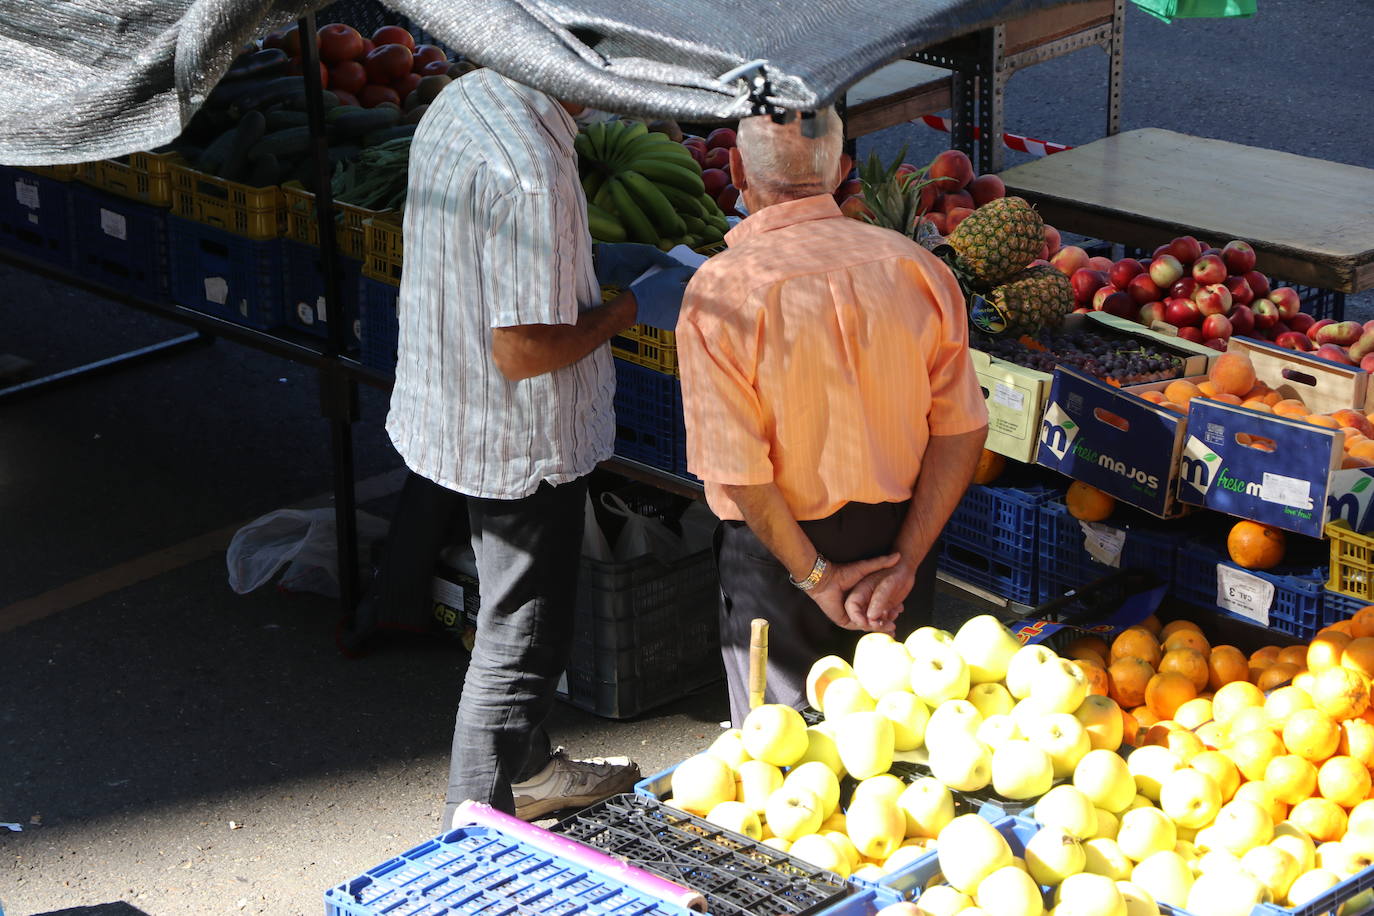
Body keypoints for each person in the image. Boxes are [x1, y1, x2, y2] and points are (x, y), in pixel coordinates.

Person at [386, 67, 694, 823]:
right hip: (515, 436)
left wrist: (590, 276)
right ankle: (472, 832)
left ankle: (529, 772)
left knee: (509, 610)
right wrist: (626, 307)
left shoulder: (466, 100)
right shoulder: (529, 167)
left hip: (456, 409)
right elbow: (523, 350)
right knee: (519, 638)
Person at [676, 108, 990, 727]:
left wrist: (817, 578)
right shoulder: (918, 269)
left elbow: (739, 470)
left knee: (786, 759)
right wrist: (905, 560)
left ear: (736, 169)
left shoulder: (722, 292)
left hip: (779, 556)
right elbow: (964, 428)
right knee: (901, 746)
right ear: (843, 173)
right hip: (902, 542)